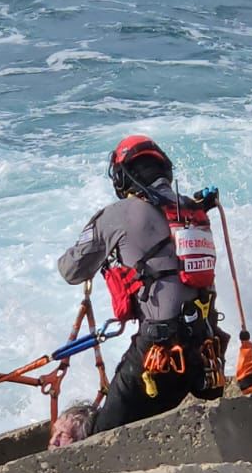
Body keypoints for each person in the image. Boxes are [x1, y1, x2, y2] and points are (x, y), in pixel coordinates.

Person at [57, 136, 229, 434]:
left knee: (104, 436)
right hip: (205, 350)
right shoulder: (190, 209)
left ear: (122, 177)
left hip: (160, 352)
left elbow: (71, 270)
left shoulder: (118, 214)